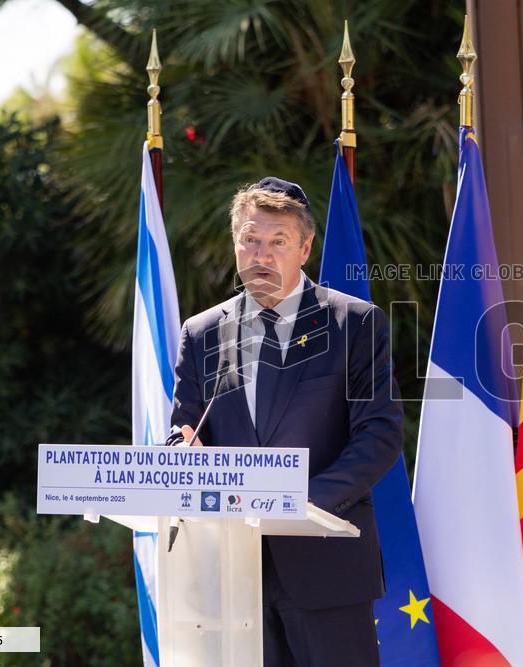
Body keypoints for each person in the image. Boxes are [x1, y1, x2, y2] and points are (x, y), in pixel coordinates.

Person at [166, 177, 403, 666]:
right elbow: (184, 430)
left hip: (325, 569)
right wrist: (181, 455)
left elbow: (379, 434)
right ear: (235, 243)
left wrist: (300, 503)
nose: (261, 255)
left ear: (305, 247)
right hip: (229, 578)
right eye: (250, 240)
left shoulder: (354, 324)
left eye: (277, 242)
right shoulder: (202, 333)